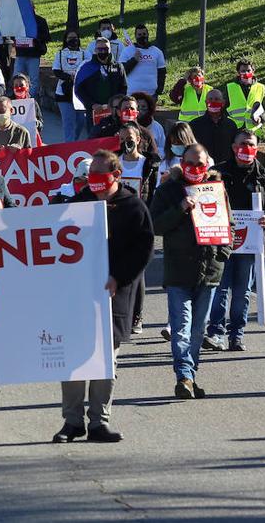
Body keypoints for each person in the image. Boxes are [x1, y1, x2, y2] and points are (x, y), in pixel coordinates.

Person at [53, 149, 154, 443]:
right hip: (77, 297)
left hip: (114, 296)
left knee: (105, 362)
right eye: (90, 175)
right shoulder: (80, 201)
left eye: (100, 175)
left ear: (116, 175)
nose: (93, 181)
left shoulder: (134, 207)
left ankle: (99, 422)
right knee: (72, 359)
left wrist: (118, 277)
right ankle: (72, 422)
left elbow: (144, 249)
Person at [149, 144, 229, 399]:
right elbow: (154, 225)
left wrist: (223, 252)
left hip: (209, 270)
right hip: (178, 270)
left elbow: (231, 224)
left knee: (198, 329)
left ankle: (191, 375)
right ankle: (183, 375)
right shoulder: (168, 190)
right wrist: (180, 208)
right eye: (190, 163)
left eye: (200, 164)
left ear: (208, 165)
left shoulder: (217, 190)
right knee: (181, 326)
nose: (195, 169)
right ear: (182, 163)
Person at [205, 130, 265, 351]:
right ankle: (215, 333)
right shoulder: (217, 173)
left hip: (251, 245)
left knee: (242, 292)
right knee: (219, 289)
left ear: (257, 148)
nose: (246, 149)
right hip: (222, 243)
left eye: (251, 145)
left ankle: (236, 334)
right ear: (233, 147)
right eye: (242, 144)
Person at [74, 38, 129, 131]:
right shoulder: (87, 68)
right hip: (94, 112)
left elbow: (123, 88)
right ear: (95, 50)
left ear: (110, 50)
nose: (103, 51)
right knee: (95, 141)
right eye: (100, 49)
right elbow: (79, 90)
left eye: (106, 49)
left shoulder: (118, 67)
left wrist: (116, 104)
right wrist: (92, 104)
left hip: (114, 112)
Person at [223, 58, 265, 133]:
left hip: (254, 130)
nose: (246, 74)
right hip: (235, 129)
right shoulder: (229, 87)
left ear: (253, 72)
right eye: (243, 71)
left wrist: (262, 118)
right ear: (238, 73)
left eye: (248, 71)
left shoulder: (261, 87)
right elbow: (222, 108)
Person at [189, 89, 238, 167]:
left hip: (226, 170)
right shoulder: (195, 124)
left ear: (223, 103)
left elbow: (235, 149)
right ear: (206, 103)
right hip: (202, 169)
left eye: (217, 99)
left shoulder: (231, 125)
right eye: (210, 99)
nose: (213, 102)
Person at [121, 25, 166, 99]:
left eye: (144, 34)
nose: (142, 36)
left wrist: (159, 90)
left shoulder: (157, 51)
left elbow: (162, 72)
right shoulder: (127, 51)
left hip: (151, 94)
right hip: (132, 95)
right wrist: (134, 60)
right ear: (135, 36)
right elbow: (122, 72)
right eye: (139, 35)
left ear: (148, 35)